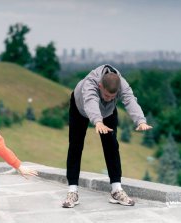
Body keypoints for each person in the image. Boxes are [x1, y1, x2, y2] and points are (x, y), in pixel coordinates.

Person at [62, 64, 152, 208]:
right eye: (106, 95)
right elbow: (91, 102)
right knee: (76, 145)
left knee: (111, 145)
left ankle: (116, 190)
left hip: (107, 112)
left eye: (113, 96)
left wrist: (140, 121)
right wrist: (97, 121)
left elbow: (129, 100)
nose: (109, 99)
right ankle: (72, 191)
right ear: (100, 86)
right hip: (80, 108)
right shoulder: (90, 84)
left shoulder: (121, 83)